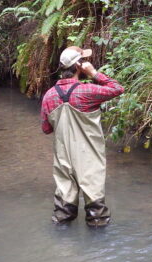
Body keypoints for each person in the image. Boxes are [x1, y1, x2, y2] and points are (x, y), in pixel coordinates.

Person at [40, 46, 124, 227]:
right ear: (78, 66)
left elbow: (46, 129)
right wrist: (94, 73)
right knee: (97, 215)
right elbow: (117, 88)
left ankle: (62, 247)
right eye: (84, 61)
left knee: (62, 214)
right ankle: (97, 248)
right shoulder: (88, 92)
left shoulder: (48, 96)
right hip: (89, 158)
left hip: (63, 159)